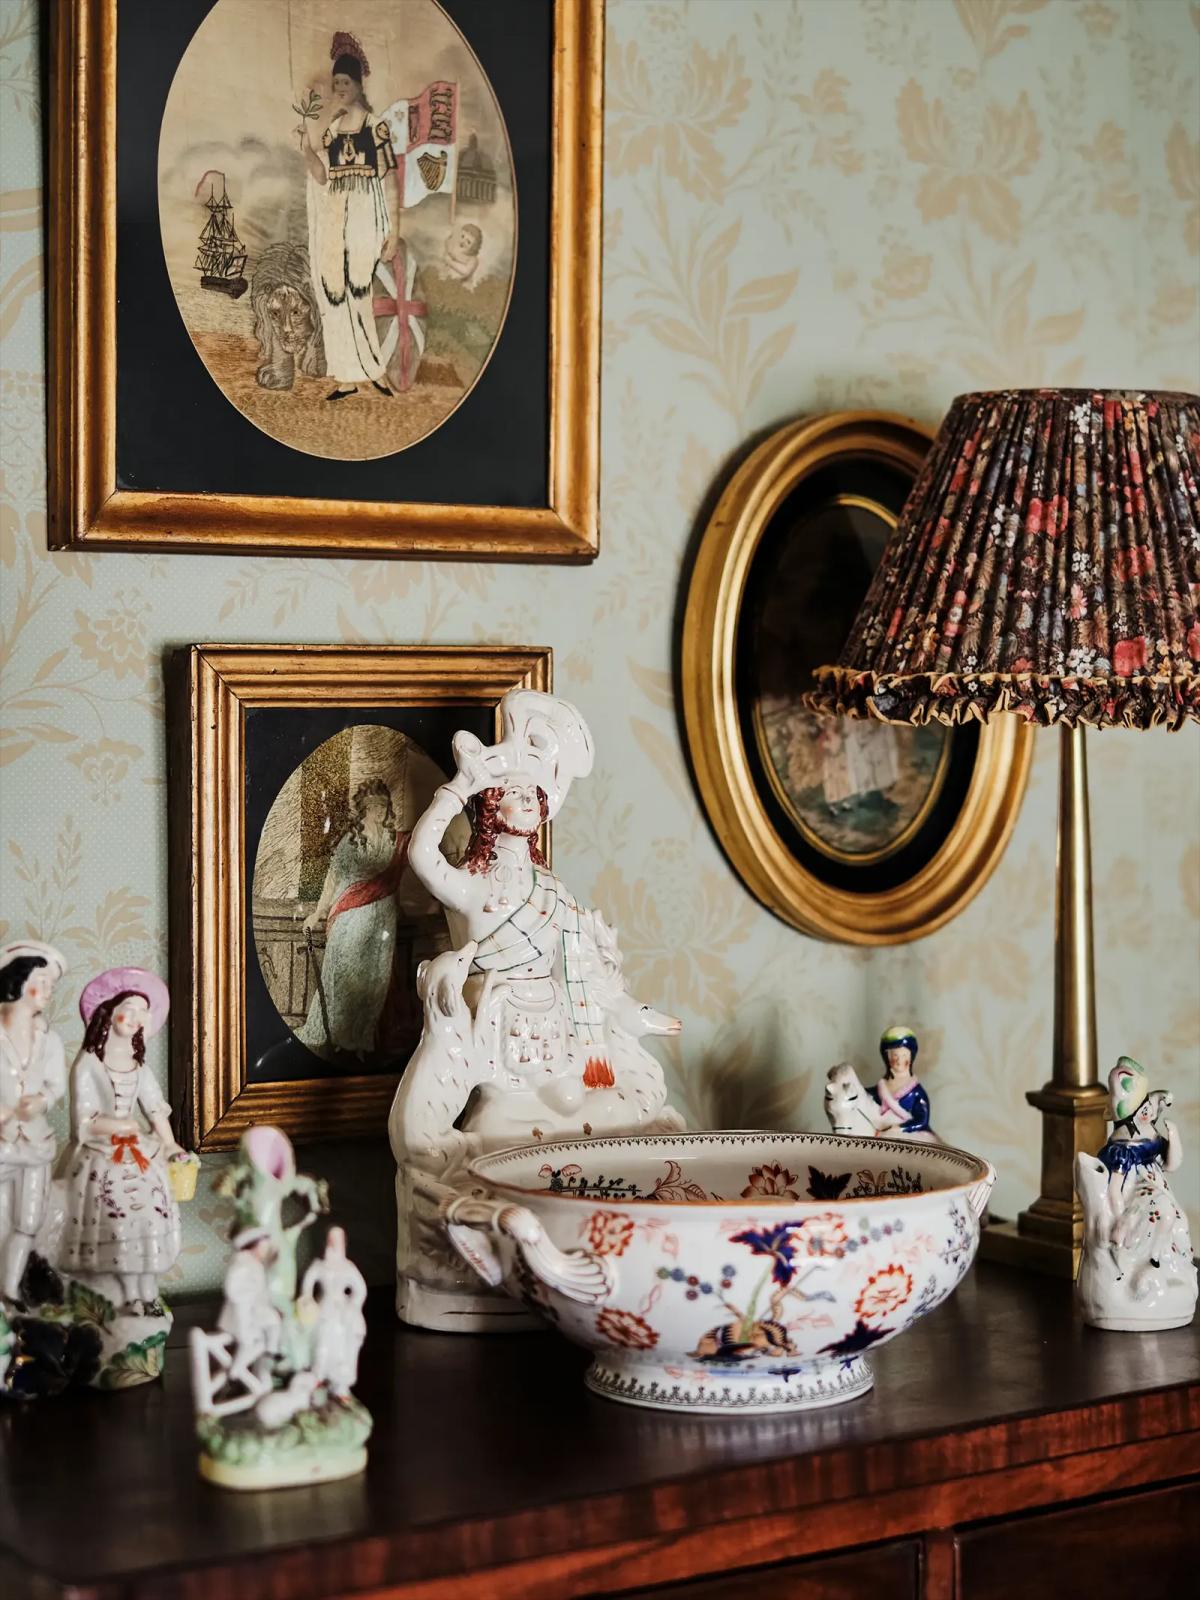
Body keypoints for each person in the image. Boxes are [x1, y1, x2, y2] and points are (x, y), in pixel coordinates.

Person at [57, 969, 184, 1310]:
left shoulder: (138, 1065)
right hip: (100, 1155)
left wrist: (169, 1144)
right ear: (109, 1011)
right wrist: (119, 1125)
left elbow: (155, 1108)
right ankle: (121, 1296)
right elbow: (83, 1122)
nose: (138, 1017)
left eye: (145, 1011)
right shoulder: (88, 1064)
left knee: (150, 1214)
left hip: (138, 1153)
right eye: (131, 1006)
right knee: (117, 1219)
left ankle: (146, 1289)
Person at [298, 31, 402, 400]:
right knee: (335, 293)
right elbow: (323, 176)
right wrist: (308, 152)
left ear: (358, 85)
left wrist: (393, 231)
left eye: (346, 82)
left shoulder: (375, 128)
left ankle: (373, 370)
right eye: (336, 82)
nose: (340, 88)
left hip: (365, 215)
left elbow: (390, 182)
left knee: (360, 290)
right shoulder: (332, 130)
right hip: (335, 216)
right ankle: (345, 374)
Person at [297, 778, 411, 1062]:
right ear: (363, 808)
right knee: (345, 979)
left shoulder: (394, 841)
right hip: (351, 918)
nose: (379, 811)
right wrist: (318, 912)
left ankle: (362, 1042)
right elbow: (333, 880)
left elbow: (403, 878)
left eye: (383, 805)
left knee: (375, 982)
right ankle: (338, 1038)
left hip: (383, 919)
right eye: (373, 806)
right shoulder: (350, 841)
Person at [0, 941, 67, 1301]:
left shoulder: (49, 1041)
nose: (48, 991)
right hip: (1, 1142)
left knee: (29, 1219)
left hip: (35, 1143)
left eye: (52, 983)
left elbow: (55, 1085)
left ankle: (10, 1290)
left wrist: (40, 1100)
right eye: (43, 980)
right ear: (19, 981)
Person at [868, 1025, 931, 1135]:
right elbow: (866, 1097)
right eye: (895, 1055)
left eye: (904, 1055)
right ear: (887, 1057)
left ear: (911, 1057)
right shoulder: (881, 1087)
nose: (899, 1060)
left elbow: (922, 1121)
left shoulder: (916, 1092)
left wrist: (900, 1128)